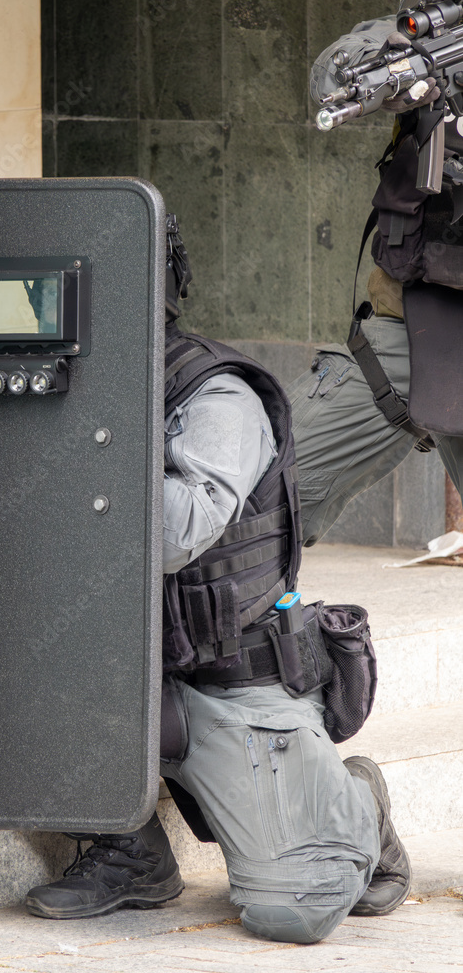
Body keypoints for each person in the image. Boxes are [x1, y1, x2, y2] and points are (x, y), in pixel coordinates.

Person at [25, 217, 411, 945]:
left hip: (225, 677)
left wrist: (71, 449)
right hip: (123, 671)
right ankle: (129, 850)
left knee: (295, 909)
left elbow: (175, 536)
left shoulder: (214, 397)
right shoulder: (63, 386)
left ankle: (356, 800)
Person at [288, 0, 463, 547]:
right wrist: (393, 63)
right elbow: (330, 76)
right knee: (269, 486)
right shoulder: (444, 21)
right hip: (406, 330)